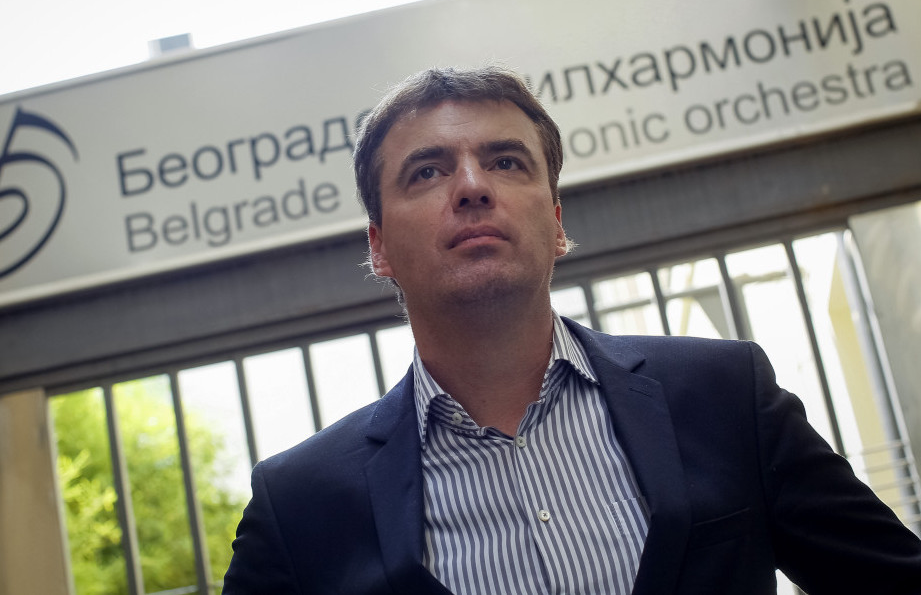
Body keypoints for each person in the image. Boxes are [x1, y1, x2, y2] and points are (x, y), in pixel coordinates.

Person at [223, 66, 921, 594]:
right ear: (378, 248)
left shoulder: (723, 395)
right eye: (427, 171)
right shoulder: (300, 504)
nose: (472, 186)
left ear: (556, 224)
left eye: (505, 162)